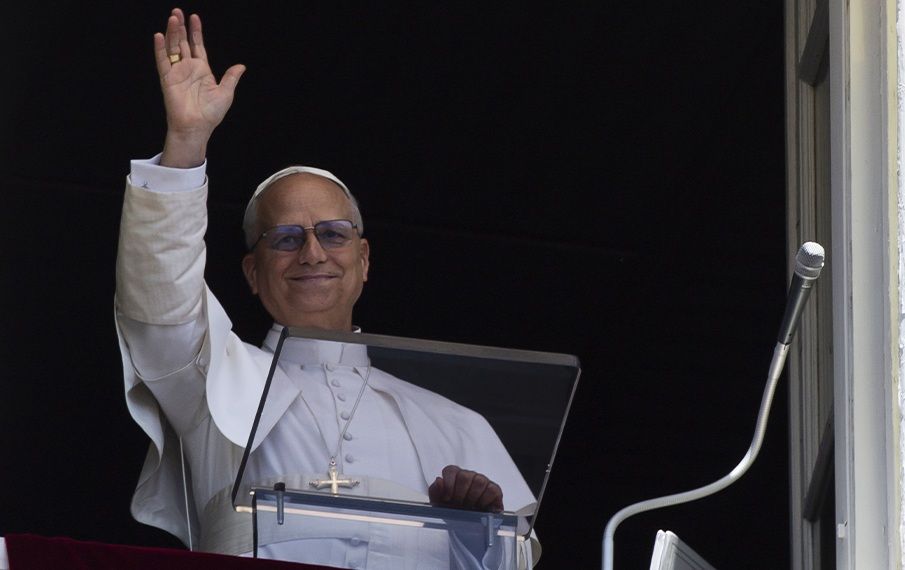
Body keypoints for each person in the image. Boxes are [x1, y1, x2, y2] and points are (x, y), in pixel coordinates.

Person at [115, 8, 537, 568]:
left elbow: (514, 561)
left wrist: (475, 529)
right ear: (252, 273)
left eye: (333, 234)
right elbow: (158, 304)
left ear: (363, 260)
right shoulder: (208, 383)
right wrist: (186, 142)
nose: (312, 253)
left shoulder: (456, 423)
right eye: (286, 238)